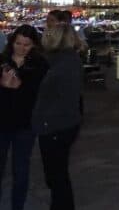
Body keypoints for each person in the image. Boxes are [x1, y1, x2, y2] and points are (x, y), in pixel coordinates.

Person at [31, 22, 83, 210]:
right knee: (57, 174)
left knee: (56, 175)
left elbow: (57, 96)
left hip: (56, 126)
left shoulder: (62, 63)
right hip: (63, 124)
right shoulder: (66, 60)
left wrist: (44, 122)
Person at [0, 25, 48, 210]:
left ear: (34, 45)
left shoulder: (40, 65)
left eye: (26, 45)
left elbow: (41, 95)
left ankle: (17, 206)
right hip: (2, 123)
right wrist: (4, 86)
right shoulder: (2, 61)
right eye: (17, 43)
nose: (20, 48)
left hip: (25, 125)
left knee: (20, 170)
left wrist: (20, 86)